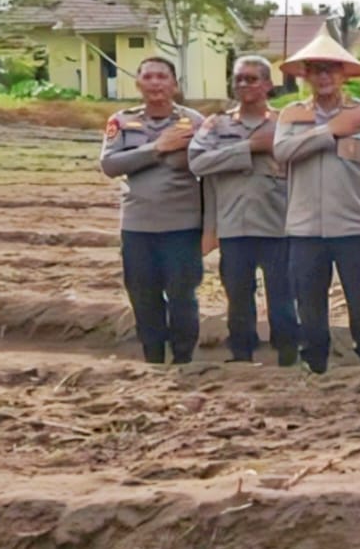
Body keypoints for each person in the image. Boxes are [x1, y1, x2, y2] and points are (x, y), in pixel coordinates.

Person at [272, 29, 360, 373]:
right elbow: (282, 152)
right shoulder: (291, 115)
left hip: (352, 225)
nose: (324, 76)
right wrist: (329, 132)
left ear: (343, 74)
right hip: (304, 227)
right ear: (307, 76)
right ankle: (316, 365)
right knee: (309, 304)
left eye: (331, 69)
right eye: (317, 69)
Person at [188, 55, 298, 365]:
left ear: (268, 85)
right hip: (234, 226)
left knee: (283, 300)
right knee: (238, 299)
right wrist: (250, 148)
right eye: (238, 79)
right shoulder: (217, 124)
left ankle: (289, 357)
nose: (244, 84)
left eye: (252, 78)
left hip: (278, 225)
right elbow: (198, 161)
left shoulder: (286, 123)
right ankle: (241, 357)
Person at [99, 56, 206, 364]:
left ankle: (184, 358)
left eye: (162, 76)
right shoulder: (121, 121)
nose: (156, 83)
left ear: (174, 83)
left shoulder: (194, 122)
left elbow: (205, 167)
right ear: (138, 83)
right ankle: (153, 358)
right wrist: (158, 147)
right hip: (137, 226)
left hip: (183, 226)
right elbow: (109, 165)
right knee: (144, 299)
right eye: (148, 77)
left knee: (183, 297)